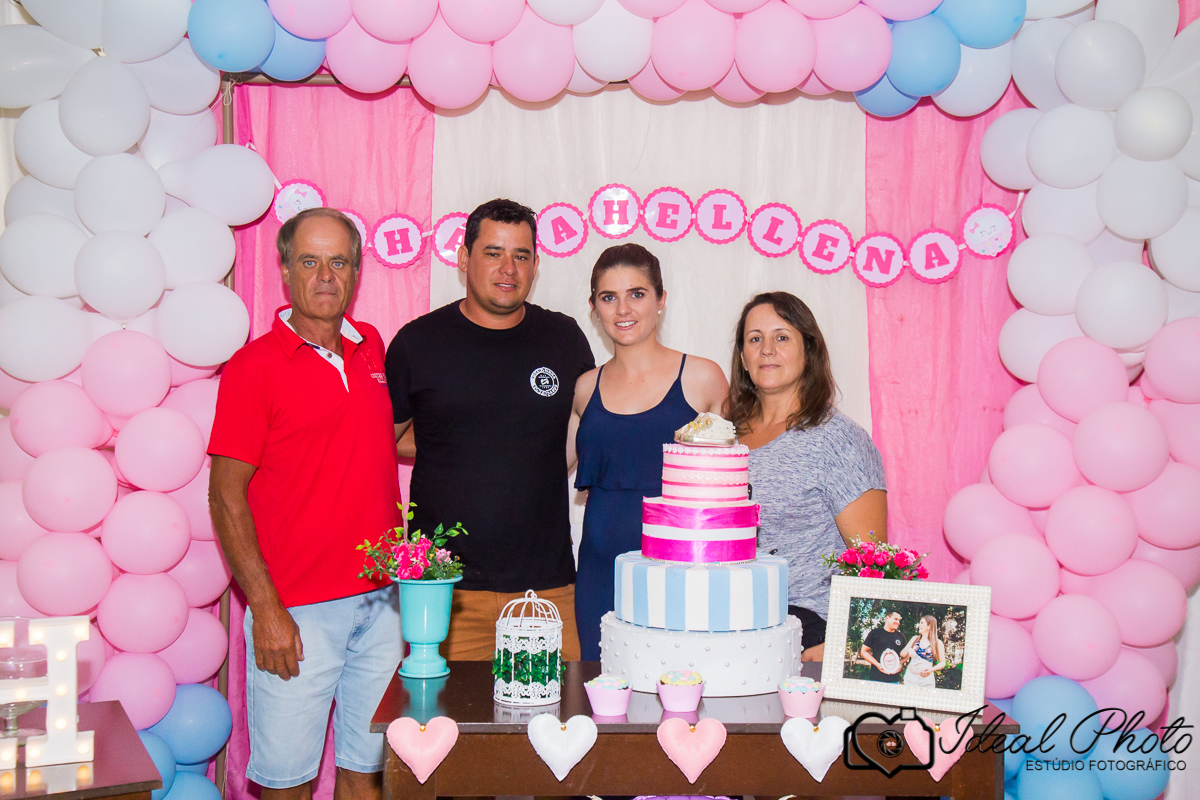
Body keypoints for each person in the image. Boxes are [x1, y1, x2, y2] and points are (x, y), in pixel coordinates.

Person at [208, 208, 402, 799]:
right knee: (286, 785)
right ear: (286, 270)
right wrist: (264, 607)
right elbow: (224, 494)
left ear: (357, 272)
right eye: (310, 261)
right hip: (296, 616)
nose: (324, 276)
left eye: (338, 262)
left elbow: (389, 439)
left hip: (385, 605)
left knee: (368, 775)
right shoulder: (253, 367)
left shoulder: (372, 350)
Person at [385, 198, 595, 661]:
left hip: (546, 587)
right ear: (464, 258)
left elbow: (584, 428)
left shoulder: (563, 338)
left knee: (561, 727)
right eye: (493, 252)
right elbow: (387, 439)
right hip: (446, 591)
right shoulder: (418, 343)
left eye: (521, 255)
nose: (508, 268)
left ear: (536, 264)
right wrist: (453, 440)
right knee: (446, 729)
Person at [569, 243, 728, 661]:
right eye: (609, 297)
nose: (623, 309)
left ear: (661, 300)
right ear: (594, 307)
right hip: (599, 575)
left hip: (680, 574)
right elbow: (545, 468)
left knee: (680, 700)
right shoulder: (585, 388)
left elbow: (734, 484)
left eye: (637, 294)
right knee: (600, 701)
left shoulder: (703, 378)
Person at [727, 291, 887, 662]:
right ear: (743, 357)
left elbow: (874, 562)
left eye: (782, 337)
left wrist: (845, 645)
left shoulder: (838, 439)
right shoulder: (724, 437)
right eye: (755, 339)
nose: (767, 349)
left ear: (808, 351)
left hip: (809, 628)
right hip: (732, 622)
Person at [859, 610, 907, 683]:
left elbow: (907, 655)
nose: (898, 622)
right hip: (876, 678)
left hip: (894, 680)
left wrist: (900, 663)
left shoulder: (901, 636)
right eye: (895, 619)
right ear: (887, 618)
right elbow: (863, 652)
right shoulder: (875, 633)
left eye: (899, 620)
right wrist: (877, 664)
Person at [901, 615, 946, 689]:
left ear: (929, 626)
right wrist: (910, 650)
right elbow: (902, 654)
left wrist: (931, 670)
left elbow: (942, 663)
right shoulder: (915, 639)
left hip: (927, 681)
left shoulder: (937, 643)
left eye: (922, 623)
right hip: (910, 678)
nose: (919, 625)